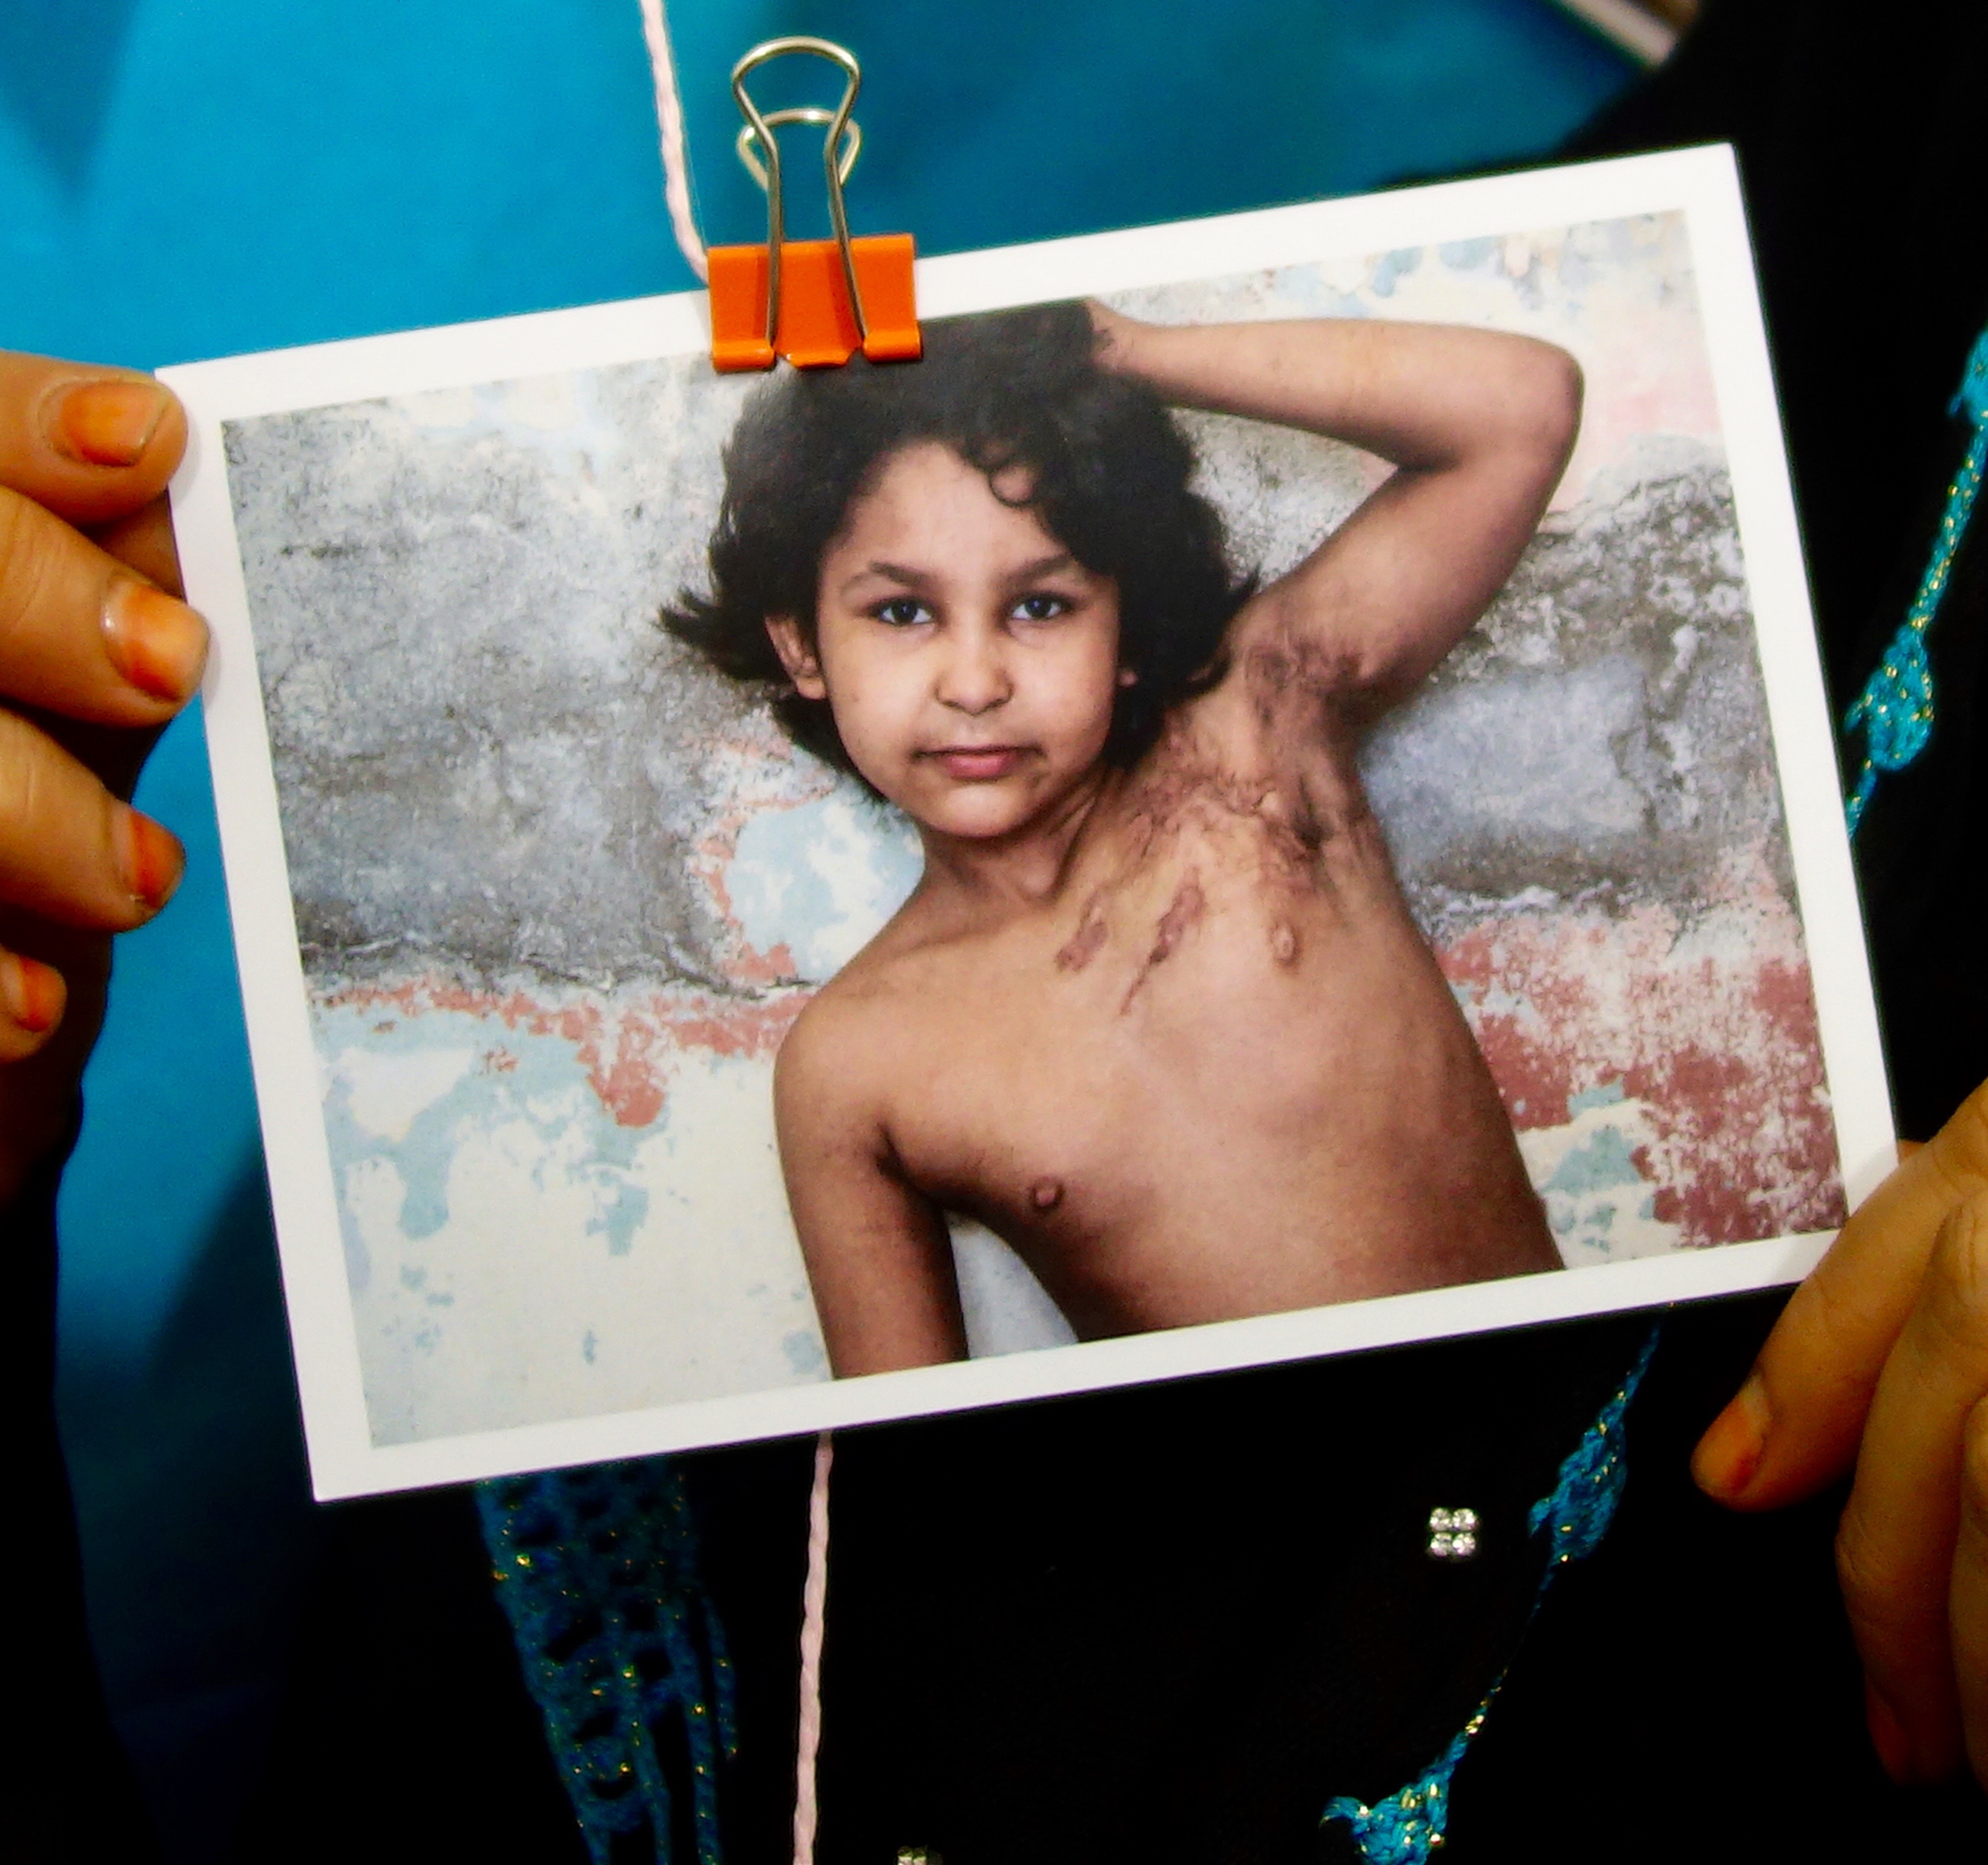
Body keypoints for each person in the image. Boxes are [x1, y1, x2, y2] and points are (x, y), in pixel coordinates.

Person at [0, 0, 1988, 1855]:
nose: (982, 668)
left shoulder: (1279, 701)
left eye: (1031, 585)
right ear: (780, 687)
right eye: (894, 607)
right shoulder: (832, 1057)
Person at [659, 300, 1575, 1371]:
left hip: (1571, 1440)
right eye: (902, 613)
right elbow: (914, 1462)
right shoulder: (853, 1064)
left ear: (1128, 630)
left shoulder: (1251, 737)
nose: (974, 683)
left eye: (1040, 606)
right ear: (802, 648)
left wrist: (1104, 350)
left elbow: (1522, 408)